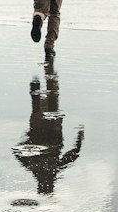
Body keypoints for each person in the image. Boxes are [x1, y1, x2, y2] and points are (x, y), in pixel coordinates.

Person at [12, 67, 84, 196]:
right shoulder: (33, 167)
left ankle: (43, 81)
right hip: (41, 131)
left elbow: (73, 154)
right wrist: (26, 141)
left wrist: (79, 140)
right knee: (37, 109)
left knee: (51, 102)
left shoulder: (52, 169)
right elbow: (16, 152)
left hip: (53, 131)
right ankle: (36, 88)